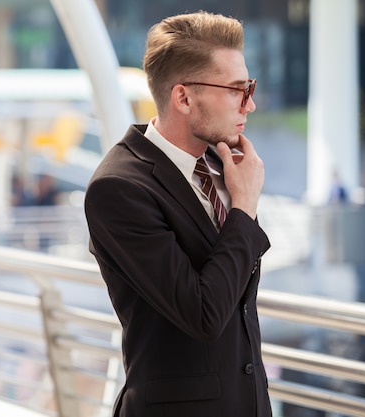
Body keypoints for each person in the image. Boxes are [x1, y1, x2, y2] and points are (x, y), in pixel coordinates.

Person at [84, 11, 272, 417]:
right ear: (184, 97)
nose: (250, 104)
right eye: (238, 89)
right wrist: (243, 208)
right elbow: (203, 315)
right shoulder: (119, 188)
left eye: (249, 87)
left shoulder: (223, 166)